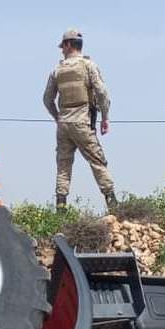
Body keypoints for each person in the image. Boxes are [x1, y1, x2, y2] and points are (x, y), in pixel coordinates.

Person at [43, 29, 117, 212]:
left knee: (63, 166)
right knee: (97, 161)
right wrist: (105, 117)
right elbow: (102, 93)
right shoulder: (88, 66)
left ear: (68, 45)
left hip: (64, 123)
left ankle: (61, 208)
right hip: (82, 120)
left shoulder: (57, 70)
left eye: (63, 46)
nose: (61, 50)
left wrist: (58, 117)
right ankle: (113, 204)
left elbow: (47, 99)